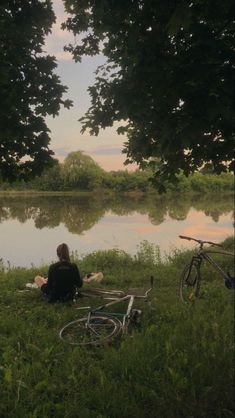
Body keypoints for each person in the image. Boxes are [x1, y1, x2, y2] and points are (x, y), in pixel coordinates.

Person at [34, 243, 103, 302]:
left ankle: (43, 280)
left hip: (55, 295)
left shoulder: (53, 267)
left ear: (58, 254)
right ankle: (45, 280)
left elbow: (49, 287)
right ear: (67, 254)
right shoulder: (73, 266)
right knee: (47, 279)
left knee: (37, 278)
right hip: (69, 295)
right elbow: (79, 284)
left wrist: (44, 283)